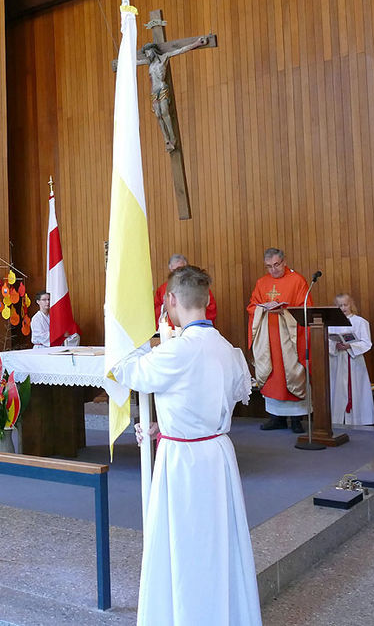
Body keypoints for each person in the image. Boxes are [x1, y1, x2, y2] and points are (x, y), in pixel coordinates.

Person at [110, 265, 261, 626]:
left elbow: (126, 370)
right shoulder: (229, 349)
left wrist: (122, 327)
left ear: (171, 300)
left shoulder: (176, 352)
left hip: (184, 460)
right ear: (207, 302)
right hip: (218, 453)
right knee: (221, 544)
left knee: (188, 545)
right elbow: (213, 396)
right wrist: (170, 420)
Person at [246, 247, 310, 433]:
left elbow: (306, 308)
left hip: (290, 337)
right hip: (269, 337)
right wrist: (262, 309)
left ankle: (297, 419)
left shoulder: (297, 280)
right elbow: (252, 306)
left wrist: (284, 311)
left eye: (276, 265)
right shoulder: (262, 282)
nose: (273, 270)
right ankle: (276, 418)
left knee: (292, 373)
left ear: (284, 262)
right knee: (272, 375)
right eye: (268, 267)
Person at [328, 293, 374, 426]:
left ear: (351, 305)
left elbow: (367, 343)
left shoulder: (360, 322)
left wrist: (350, 346)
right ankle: (337, 420)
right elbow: (326, 341)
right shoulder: (331, 322)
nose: (343, 308)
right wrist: (335, 345)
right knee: (336, 390)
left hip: (354, 362)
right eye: (339, 305)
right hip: (337, 361)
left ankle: (358, 420)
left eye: (345, 305)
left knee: (356, 390)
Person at [153, 254, 217, 327]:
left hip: (195, 329)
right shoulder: (163, 289)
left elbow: (211, 309)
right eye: (175, 271)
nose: (179, 274)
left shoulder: (199, 286)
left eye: (181, 269)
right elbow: (154, 313)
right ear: (170, 270)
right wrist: (164, 308)